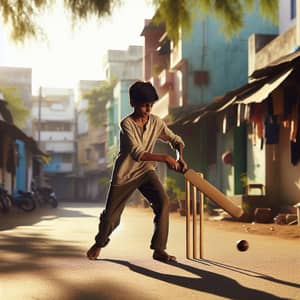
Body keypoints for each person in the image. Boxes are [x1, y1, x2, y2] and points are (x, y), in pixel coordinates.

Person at [87, 81, 188, 262]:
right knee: (111, 218)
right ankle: (99, 243)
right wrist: (165, 158)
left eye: (151, 105)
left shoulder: (156, 122)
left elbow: (175, 139)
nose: (148, 109)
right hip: (125, 174)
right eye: (144, 105)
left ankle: (159, 249)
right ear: (133, 102)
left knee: (163, 203)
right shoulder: (126, 124)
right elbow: (138, 153)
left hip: (146, 171)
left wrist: (180, 155)